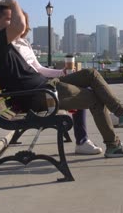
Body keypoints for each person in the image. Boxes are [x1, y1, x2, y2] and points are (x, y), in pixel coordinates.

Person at [0, 0, 123, 158]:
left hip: (44, 87)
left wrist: (61, 73)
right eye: (8, 19)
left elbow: (24, 39)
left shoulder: (3, 43)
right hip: (39, 95)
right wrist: (12, 1)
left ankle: (122, 113)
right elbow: (19, 25)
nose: (12, 24)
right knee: (94, 98)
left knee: (90, 74)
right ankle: (113, 144)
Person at [12, 12, 102, 155]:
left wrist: (62, 73)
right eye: (15, 21)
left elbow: (40, 68)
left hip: (43, 87)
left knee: (85, 83)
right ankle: (83, 140)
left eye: (22, 21)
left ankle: (83, 140)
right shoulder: (9, 46)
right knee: (81, 89)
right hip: (36, 92)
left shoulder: (24, 43)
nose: (20, 25)